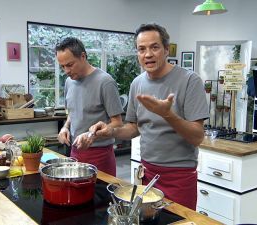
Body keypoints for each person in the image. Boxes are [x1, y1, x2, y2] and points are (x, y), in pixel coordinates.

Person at [89, 23, 209, 210]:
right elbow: (133, 127)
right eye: (141, 49)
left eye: (154, 47)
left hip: (179, 175)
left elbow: (197, 136)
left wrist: (168, 114)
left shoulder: (189, 80)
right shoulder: (137, 83)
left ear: (166, 49)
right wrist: (109, 131)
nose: (148, 54)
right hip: (148, 173)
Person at [56, 37, 123, 176]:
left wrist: (92, 135)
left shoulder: (105, 82)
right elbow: (73, 112)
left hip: (100, 155)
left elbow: (117, 122)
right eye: (62, 66)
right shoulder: (69, 82)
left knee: (100, 197)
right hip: (75, 152)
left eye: (70, 65)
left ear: (83, 56)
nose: (66, 71)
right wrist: (65, 127)